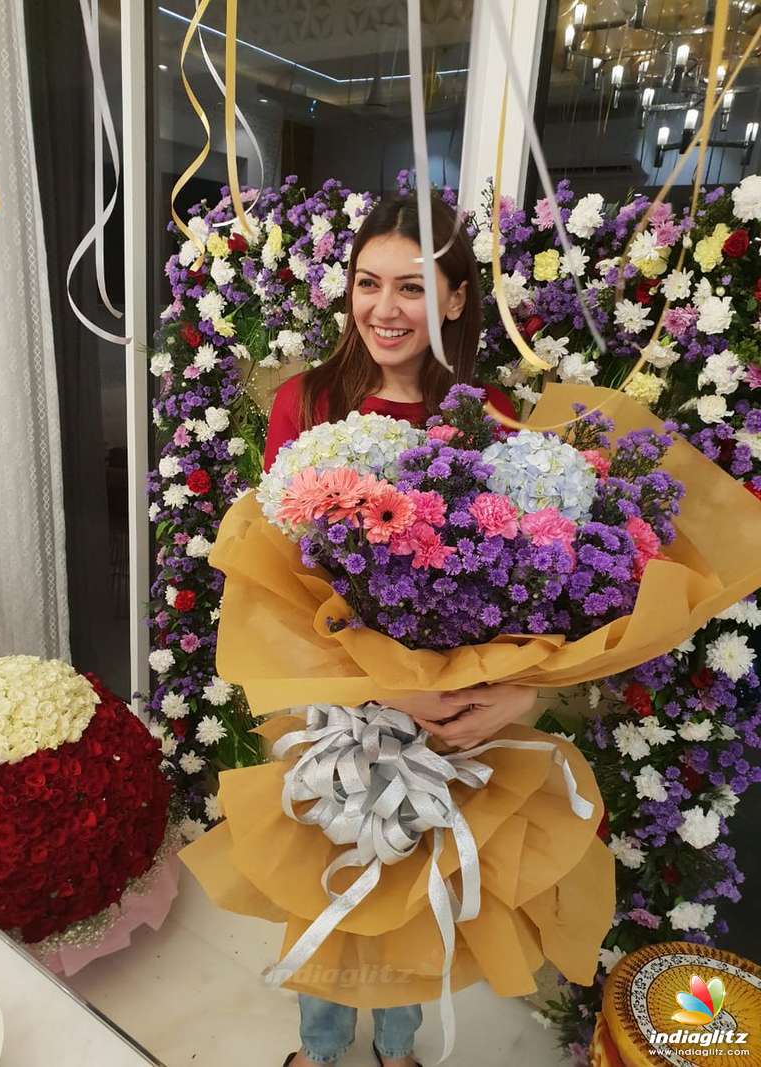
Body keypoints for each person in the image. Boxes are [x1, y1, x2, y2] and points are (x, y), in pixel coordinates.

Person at [265, 193, 539, 1067]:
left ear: (457, 299)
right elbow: (269, 576)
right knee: (322, 879)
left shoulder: (488, 413)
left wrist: (510, 689)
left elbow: (532, 581)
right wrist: (373, 679)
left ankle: (396, 1045)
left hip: (446, 712)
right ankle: (317, 1045)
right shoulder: (307, 403)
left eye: (413, 287)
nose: (385, 308)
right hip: (327, 701)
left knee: (420, 884)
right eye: (367, 282)